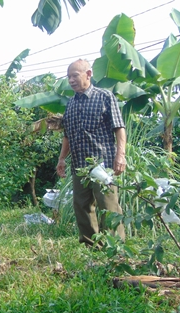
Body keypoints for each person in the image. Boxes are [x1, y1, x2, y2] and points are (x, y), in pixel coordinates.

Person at [56, 59, 126, 247]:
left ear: (88, 74)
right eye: (68, 76)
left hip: (103, 164)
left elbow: (119, 128)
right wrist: (62, 159)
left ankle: (115, 248)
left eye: (75, 75)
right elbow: (67, 136)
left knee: (108, 206)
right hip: (79, 165)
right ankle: (91, 246)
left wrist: (121, 155)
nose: (71, 80)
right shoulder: (70, 104)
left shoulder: (104, 97)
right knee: (82, 206)